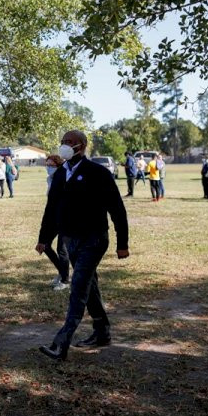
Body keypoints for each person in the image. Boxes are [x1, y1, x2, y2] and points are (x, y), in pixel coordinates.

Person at [36, 130, 129, 360]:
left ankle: (61, 342)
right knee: (90, 285)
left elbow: (117, 208)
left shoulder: (97, 173)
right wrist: (44, 238)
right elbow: (52, 210)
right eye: (63, 142)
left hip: (94, 239)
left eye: (70, 142)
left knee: (78, 288)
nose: (65, 146)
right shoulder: (60, 175)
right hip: (71, 241)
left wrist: (122, 243)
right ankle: (102, 332)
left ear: (82, 146)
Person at [41, 155, 70, 291]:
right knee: (45, 245)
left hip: (65, 219)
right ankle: (62, 272)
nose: (49, 168)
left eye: (51, 165)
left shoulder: (64, 177)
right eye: (47, 165)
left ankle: (65, 280)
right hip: (53, 218)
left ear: (58, 166)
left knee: (62, 250)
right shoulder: (50, 179)